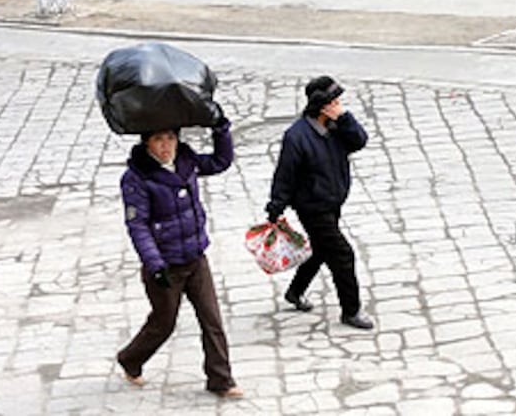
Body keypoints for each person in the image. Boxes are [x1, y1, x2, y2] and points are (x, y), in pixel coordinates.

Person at [117, 117, 244, 398]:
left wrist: (221, 130)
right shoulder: (137, 178)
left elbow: (220, 161)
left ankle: (220, 380)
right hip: (165, 266)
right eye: (158, 140)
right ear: (147, 143)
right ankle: (130, 359)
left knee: (212, 320)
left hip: (195, 258)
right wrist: (155, 264)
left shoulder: (187, 162)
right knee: (163, 324)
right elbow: (138, 225)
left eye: (170, 138)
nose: (166, 146)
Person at [265, 76, 374, 330]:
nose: (339, 106)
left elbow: (359, 141)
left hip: (333, 200)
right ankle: (351, 311)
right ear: (321, 105)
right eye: (334, 102)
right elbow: (285, 174)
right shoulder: (297, 137)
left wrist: (344, 118)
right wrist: (275, 207)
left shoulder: (337, 126)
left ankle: (295, 291)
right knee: (342, 254)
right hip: (312, 207)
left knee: (321, 248)